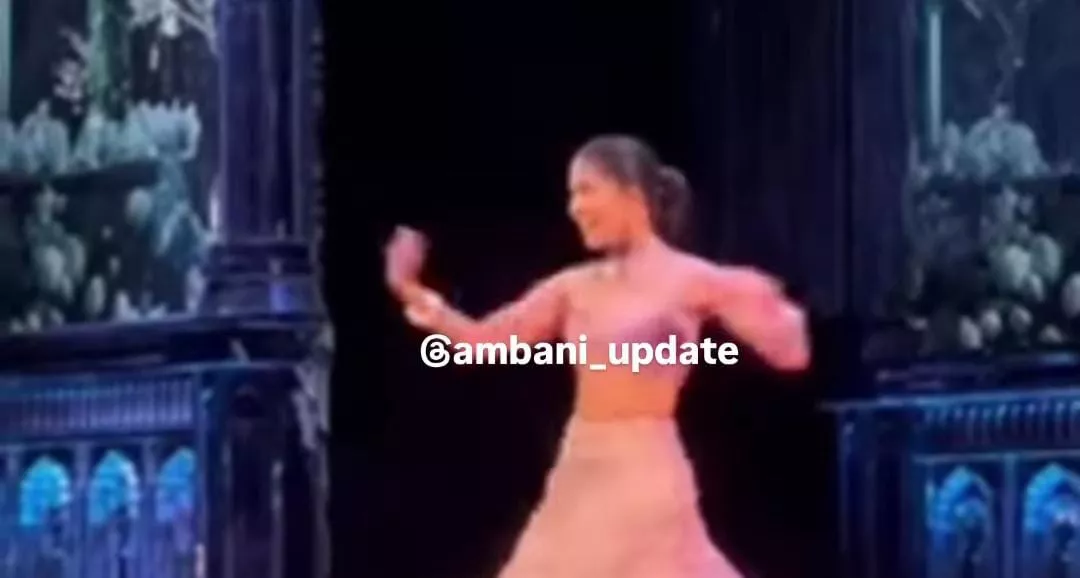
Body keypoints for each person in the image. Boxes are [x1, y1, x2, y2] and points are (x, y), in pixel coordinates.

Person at [383, 134, 811, 578]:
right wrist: (411, 291)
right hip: (582, 470)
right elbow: (484, 341)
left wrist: (764, 305)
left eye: (587, 190)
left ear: (632, 194)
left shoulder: (693, 280)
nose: (575, 208)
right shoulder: (574, 288)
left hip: (645, 474)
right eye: (572, 195)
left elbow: (792, 352)